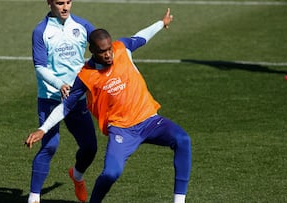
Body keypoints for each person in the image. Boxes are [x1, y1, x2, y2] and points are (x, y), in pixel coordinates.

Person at [26, 8, 191, 203]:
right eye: (102, 52)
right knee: (111, 174)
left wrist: (161, 23)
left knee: (183, 140)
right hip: (122, 130)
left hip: (149, 120)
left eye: (109, 49)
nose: (108, 55)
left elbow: (141, 37)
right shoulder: (86, 76)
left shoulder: (122, 48)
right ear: (93, 52)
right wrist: (43, 129)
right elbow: (66, 106)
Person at [27, 0, 97, 202]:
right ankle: (34, 198)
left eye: (68, 2)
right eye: (59, 3)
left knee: (90, 148)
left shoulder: (82, 26)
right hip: (50, 96)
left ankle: (77, 175)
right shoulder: (41, 31)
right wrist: (60, 84)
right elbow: (40, 67)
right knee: (49, 146)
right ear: (49, 3)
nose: (65, 7)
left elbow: (104, 45)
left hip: (77, 98)